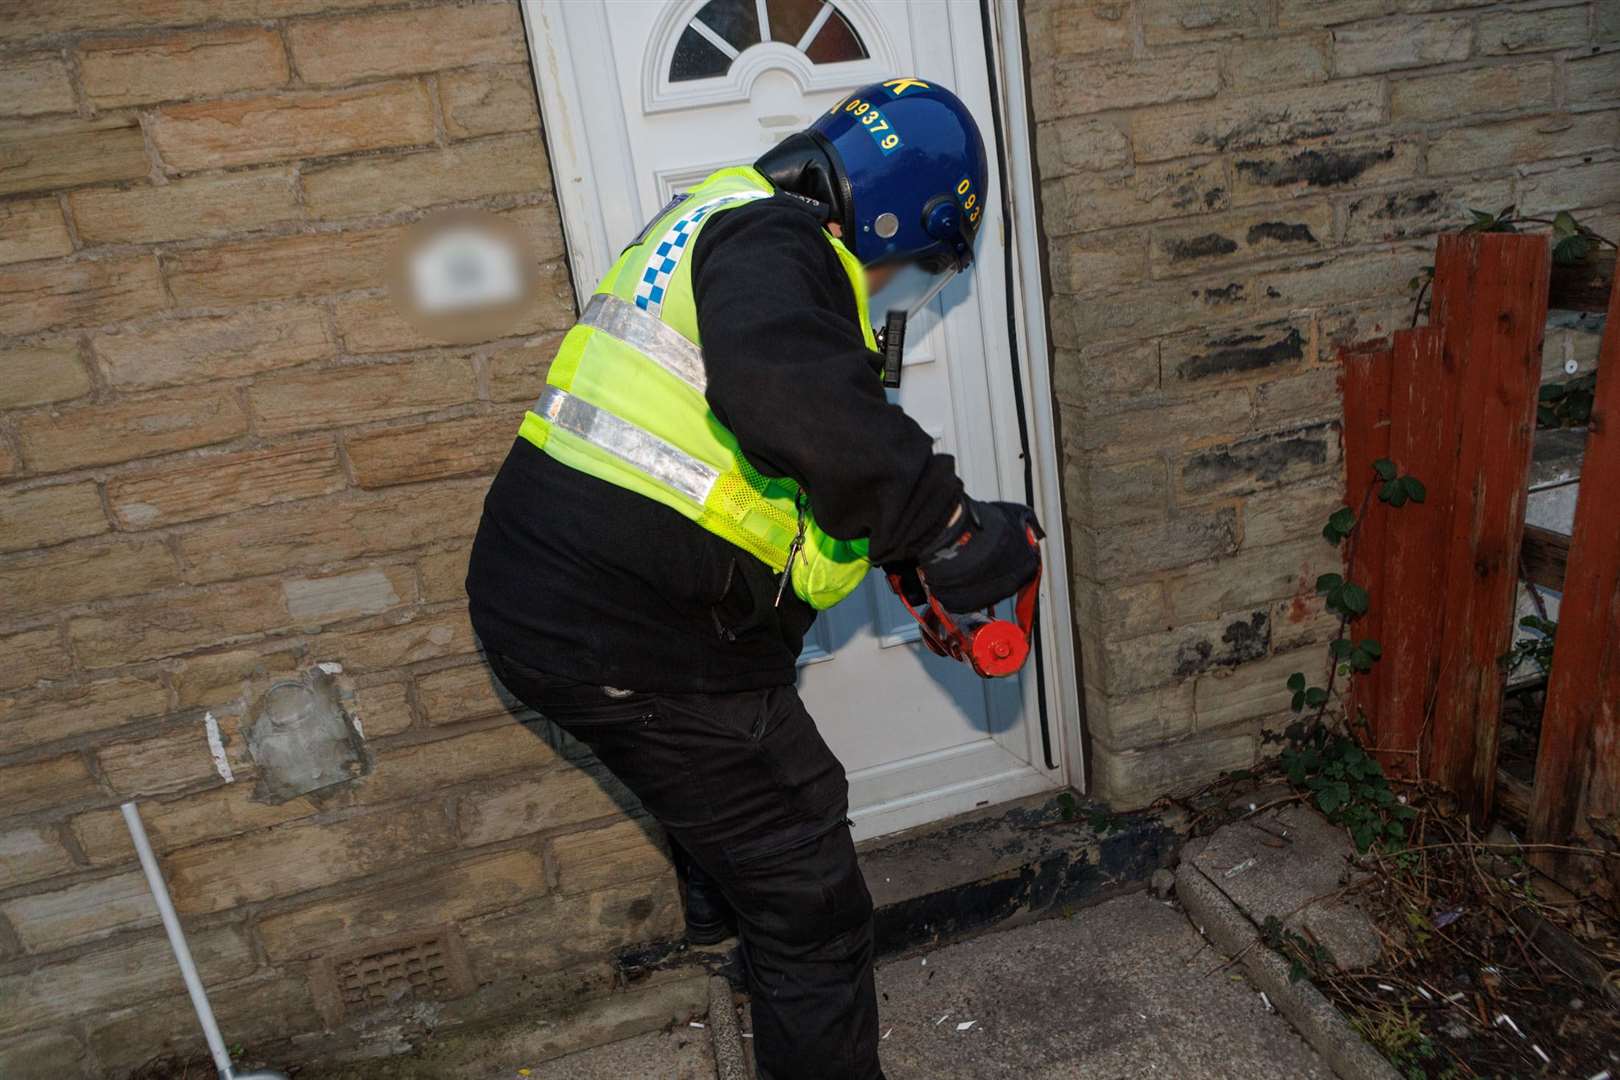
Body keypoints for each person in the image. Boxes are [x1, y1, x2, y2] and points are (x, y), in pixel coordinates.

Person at [465, 77, 1040, 1080]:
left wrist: (892, 539)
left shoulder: (721, 223)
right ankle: (757, 909)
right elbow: (782, 391)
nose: (898, 285)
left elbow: (762, 467)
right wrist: (945, 527)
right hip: (634, 634)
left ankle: (720, 897)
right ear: (898, 211)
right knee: (812, 906)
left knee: (738, 803)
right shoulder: (780, 246)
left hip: (568, 602)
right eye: (914, 261)